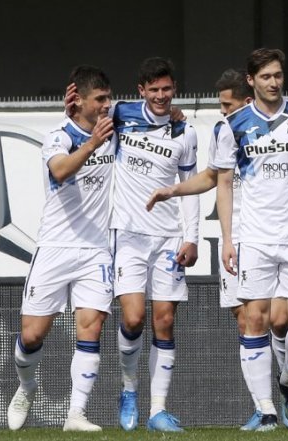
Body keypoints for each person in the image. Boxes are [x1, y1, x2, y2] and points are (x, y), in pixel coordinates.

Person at [213, 48, 288, 430]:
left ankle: (287, 381)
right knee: (255, 320)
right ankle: (266, 410)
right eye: (265, 76)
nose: (273, 82)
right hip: (255, 239)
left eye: (278, 75)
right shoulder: (233, 126)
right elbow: (224, 184)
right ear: (251, 80)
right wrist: (228, 239)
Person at [145, 69, 268, 430]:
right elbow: (212, 177)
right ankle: (264, 408)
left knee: (281, 321)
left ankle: (287, 386)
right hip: (235, 236)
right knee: (245, 319)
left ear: (248, 101)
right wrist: (174, 190)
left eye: (227, 105)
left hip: (270, 237)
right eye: (220, 105)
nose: (223, 111)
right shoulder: (222, 132)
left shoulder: (281, 129)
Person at [7, 66, 115, 432]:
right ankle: (26, 387)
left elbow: (151, 108)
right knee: (32, 335)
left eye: (108, 98)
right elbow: (60, 171)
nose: (107, 105)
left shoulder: (113, 128)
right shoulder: (59, 136)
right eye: (99, 99)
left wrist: (175, 112)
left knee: (91, 326)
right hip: (55, 247)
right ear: (79, 100)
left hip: (96, 248)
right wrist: (92, 143)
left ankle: (76, 414)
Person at [112, 57, 200, 432]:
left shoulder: (185, 131)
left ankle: (157, 411)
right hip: (128, 234)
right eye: (154, 90)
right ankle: (128, 389)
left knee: (164, 320)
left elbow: (190, 187)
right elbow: (86, 115)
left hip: (168, 237)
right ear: (141, 91)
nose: (162, 96)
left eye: (167, 89)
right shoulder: (120, 114)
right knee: (133, 318)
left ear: (174, 88)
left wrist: (191, 236)